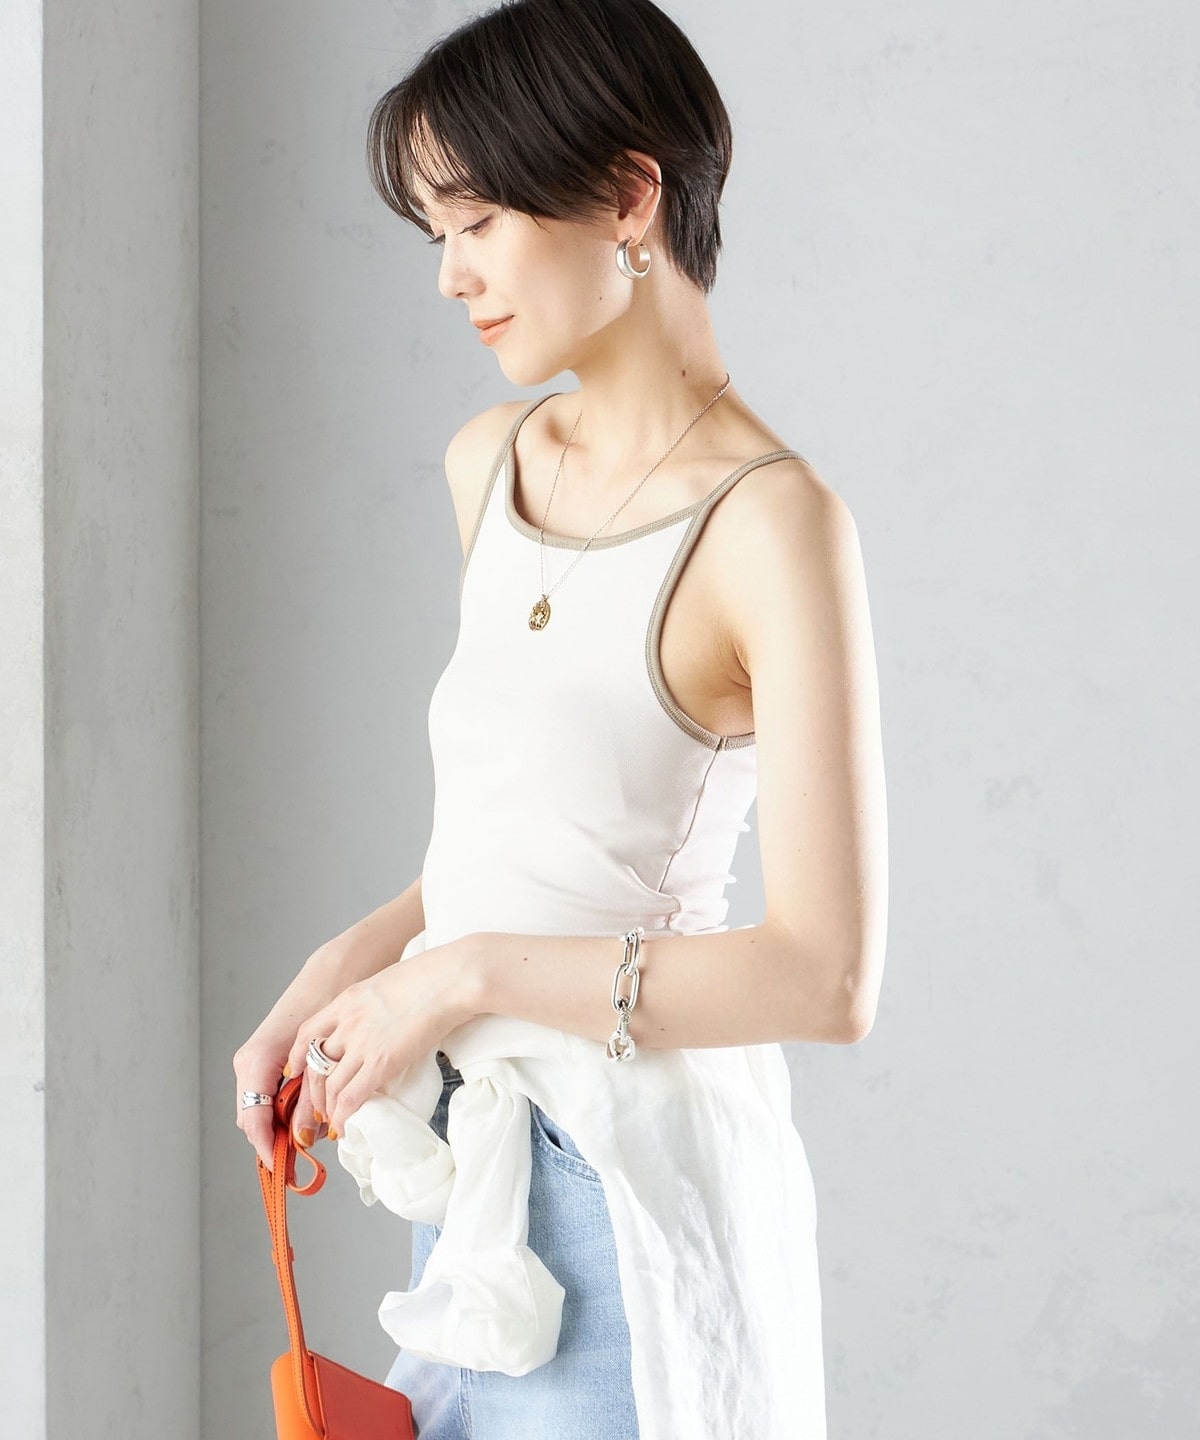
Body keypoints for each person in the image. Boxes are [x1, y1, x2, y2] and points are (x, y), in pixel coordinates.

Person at [233, 1, 888, 1436]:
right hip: (477, 1177)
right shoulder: (491, 464)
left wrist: (455, 980)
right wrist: (347, 970)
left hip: (629, 1191)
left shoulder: (773, 526)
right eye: (437, 234)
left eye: (478, 221)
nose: (452, 275)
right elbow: (535, 846)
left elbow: (825, 976)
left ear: (628, 194)